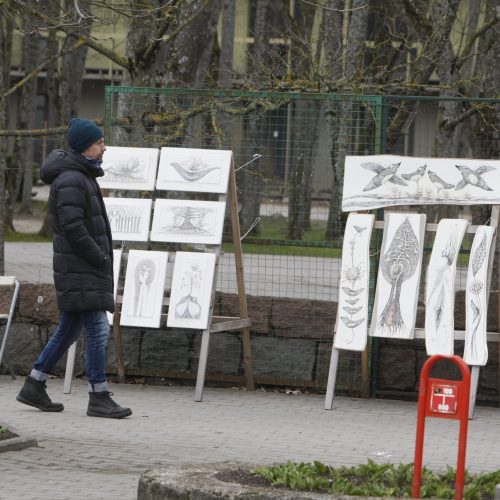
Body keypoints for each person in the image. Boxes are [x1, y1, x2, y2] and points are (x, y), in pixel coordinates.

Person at [16, 118, 132, 419]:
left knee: (70, 328)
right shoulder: (72, 179)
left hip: (82, 268)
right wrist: (99, 258)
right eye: (99, 142)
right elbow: (72, 226)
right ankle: (98, 395)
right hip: (81, 267)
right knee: (97, 327)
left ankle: (34, 384)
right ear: (84, 147)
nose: (103, 147)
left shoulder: (81, 174)